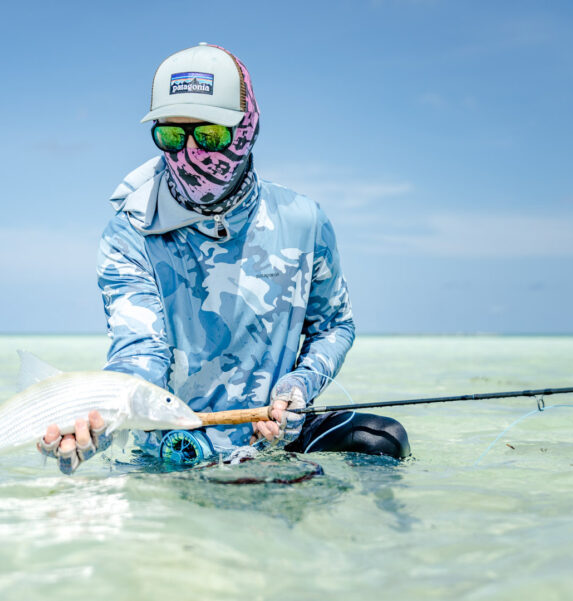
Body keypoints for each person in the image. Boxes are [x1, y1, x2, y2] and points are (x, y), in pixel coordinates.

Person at [38, 43, 410, 473]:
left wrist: (300, 385)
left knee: (385, 439)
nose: (190, 154)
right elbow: (140, 352)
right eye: (172, 136)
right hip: (173, 452)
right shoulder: (129, 234)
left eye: (210, 135)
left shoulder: (305, 221)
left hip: (273, 443)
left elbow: (334, 326)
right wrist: (98, 420)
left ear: (248, 127)